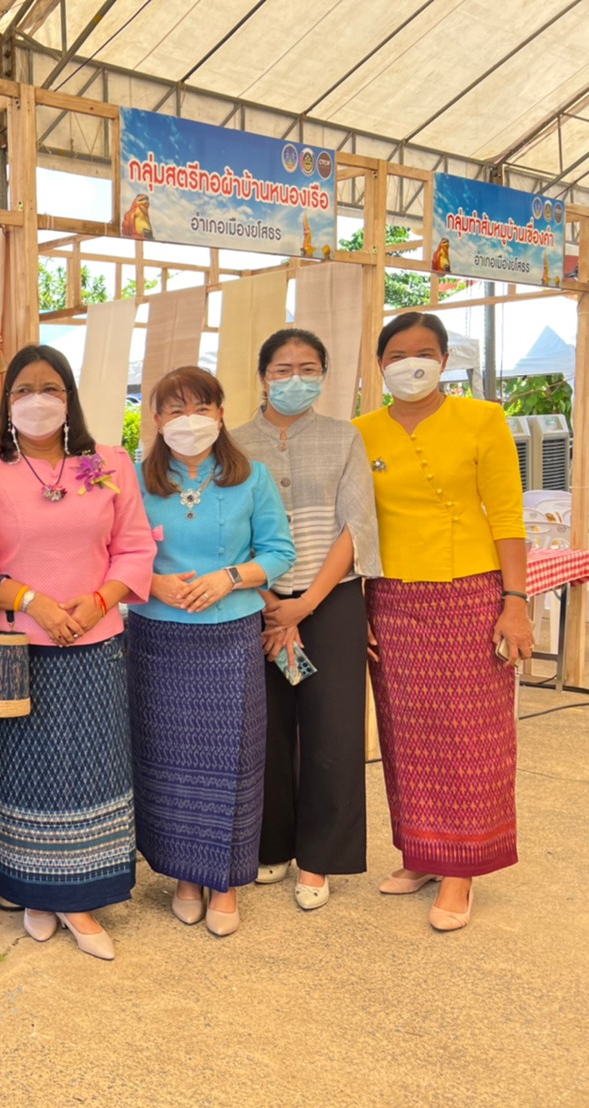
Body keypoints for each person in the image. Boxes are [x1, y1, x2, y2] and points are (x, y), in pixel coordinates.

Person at [0, 345, 154, 960]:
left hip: (95, 642)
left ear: (68, 398)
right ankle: (36, 892)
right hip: (17, 647)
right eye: (23, 390)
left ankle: (75, 896)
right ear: (7, 401)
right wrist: (36, 602)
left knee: (86, 770)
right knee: (24, 773)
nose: (36, 400)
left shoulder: (109, 462)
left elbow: (134, 548)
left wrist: (99, 602)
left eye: (50, 388)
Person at [355, 311, 529, 932]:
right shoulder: (363, 431)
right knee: (406, 733)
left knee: (470, 733)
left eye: (424, 352)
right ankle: (422, 854)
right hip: (393, 598)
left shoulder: (483, 419)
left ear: (445, 360)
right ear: (380, 365)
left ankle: (463, 869)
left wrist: (516, 600)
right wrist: (356, 607)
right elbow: (357, 527)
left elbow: (508, 515)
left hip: (471, 593)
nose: (410, 363)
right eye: (397, 354)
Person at [126, 367, 295, 938]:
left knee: (233, 760)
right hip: (157, 637)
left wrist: (231, 577)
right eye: (174, 410)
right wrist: (150, 582)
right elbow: (114, 551)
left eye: (200, 407)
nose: (188, 421)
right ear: (156, 420)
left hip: (229, 636)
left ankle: (224, 881)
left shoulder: (253, 478)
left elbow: (279, 552)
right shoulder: (134, 479)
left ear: (221, 413)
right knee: (167, 761)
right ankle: (184, 877)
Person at [231, 330, 381, 910]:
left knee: (333, 732)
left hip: (331, 599)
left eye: (308, 367)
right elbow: (230, 530)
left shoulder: (345, 437)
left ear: (325, 373)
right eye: (283, 368)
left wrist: (305, 604)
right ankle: (271, 845)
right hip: (254, 603)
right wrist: (273, 603)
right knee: (264, 729)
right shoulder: (235, 443)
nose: (295, 378)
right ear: (263, 374)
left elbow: (357, 526)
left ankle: (321, 858)